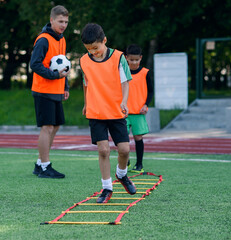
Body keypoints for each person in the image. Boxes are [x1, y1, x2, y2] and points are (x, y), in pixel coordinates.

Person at [80, 23, 136, 204]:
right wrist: (86, 103)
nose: (93, 52)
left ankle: (121, 174)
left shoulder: (118, 57)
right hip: (96, 111)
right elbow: (86, 83)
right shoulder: (83, 61)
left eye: (96, 48)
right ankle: (106, 187)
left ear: (104, 41)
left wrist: (124, 102)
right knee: (103, 150)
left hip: (116, 110)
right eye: (89, 49)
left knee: (124, 150)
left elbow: (125, 82)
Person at [31, 5, 70, 178]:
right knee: (47, 127)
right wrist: (54, 75)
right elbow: (35, 65)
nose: (63, 25)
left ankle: (40, 164)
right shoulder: (43, 40)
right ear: (52, 20)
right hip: (43, 90)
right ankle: (46, 166)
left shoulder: (62, 39)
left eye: (66, 22)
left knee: (55, 126)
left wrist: (65, 86)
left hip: (56, 90)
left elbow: (63, 64)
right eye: (60, 21)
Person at [125, 44, 154, 173]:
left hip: (138, 112)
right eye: (131, 60)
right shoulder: (122, 72)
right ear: (126, 58)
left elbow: (151, 91)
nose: (134, 62)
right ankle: (125, 160)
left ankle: (139, 164)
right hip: (123, 113)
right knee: (122, 139)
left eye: (137, 60)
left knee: (138, 138)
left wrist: (146, 104)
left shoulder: (145, 73)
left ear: (141, 58)